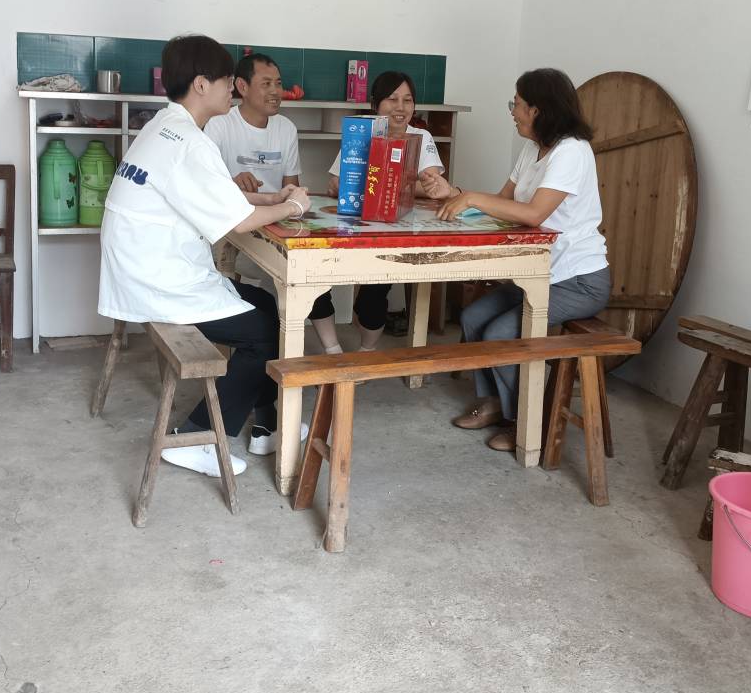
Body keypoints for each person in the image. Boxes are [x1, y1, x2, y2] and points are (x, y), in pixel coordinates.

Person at [97, 34, 311, 477]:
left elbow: (214, 196)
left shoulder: (164, 127)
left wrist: (272, 196)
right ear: (200, 84)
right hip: (161, 283)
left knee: (267, 304)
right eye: (226, 81)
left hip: (144, 270)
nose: (232, 89)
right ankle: (196, 436)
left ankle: (268, 425)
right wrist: (293, 207)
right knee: (267, 330)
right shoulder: (191, 143)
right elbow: (240, 223)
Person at [436, 68, 610, 452]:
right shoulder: (533, 149)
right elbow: (502, 206)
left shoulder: (572, 151)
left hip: (578, 280)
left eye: (516, 104)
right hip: (536, 272)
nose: (513, 112)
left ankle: (526, 423)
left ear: (538, 109)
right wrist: (456, 193)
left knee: (499, 333)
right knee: (473, 318)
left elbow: (533, 214)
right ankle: (495, 403)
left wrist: (472, 198)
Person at [309, 71, 453, 354]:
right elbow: (337, 183)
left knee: (373, 297)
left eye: (407, 100)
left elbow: (433, 185)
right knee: (313, 280)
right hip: (352, 228)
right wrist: (395, 183)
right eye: (392, 99)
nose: (400, 107)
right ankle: (333, 351)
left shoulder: (420, 136)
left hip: (394, 232)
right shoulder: (361, 133)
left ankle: (367, 352)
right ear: (376, 105)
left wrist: (389, 183)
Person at [204, 53, 301, 195]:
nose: (275, 91)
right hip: (233, 207)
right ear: (242, 87)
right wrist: (232, 182)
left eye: (278, 83)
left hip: (276, 208)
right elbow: (205, 184)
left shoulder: (287, 128)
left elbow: (292, 191)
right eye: (266, 84)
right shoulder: (218, 124)